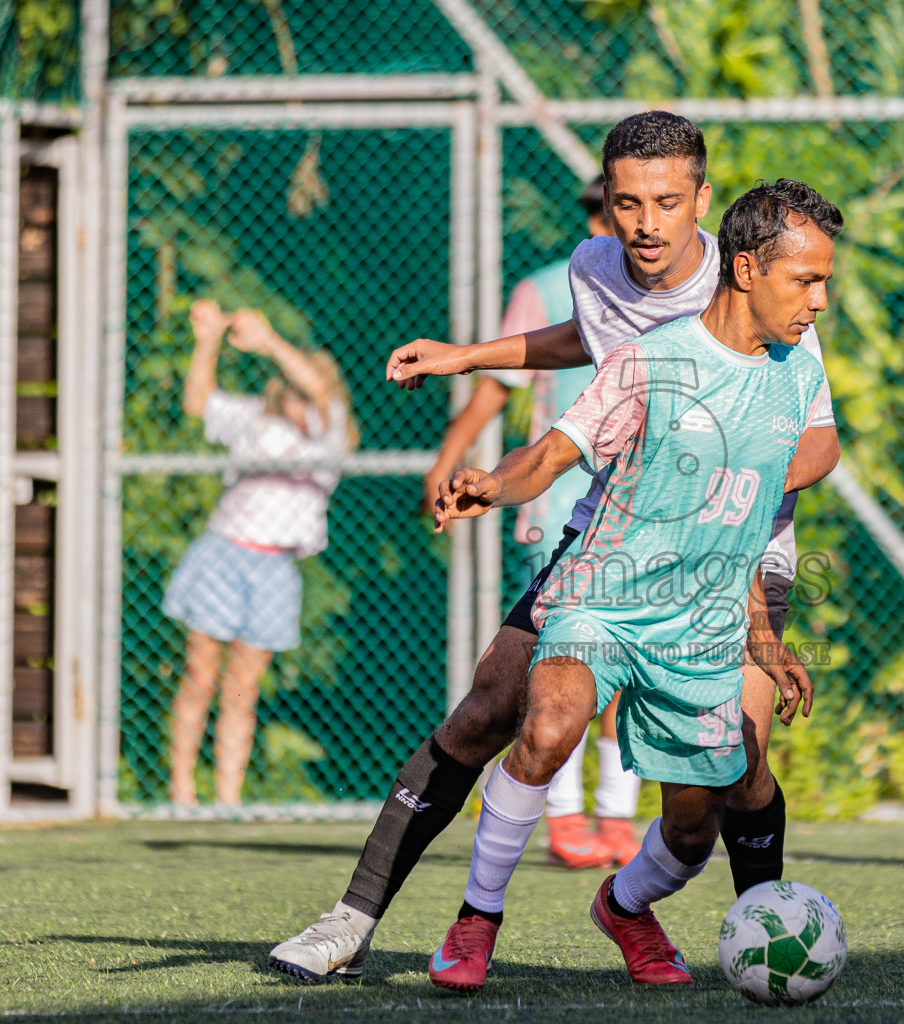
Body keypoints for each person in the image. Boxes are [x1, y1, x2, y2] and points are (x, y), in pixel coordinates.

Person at [268, 111, 839, 984]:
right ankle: (352, 921)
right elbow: (597, 343)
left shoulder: (769, 286)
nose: (645, 223)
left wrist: (713, 481)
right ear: (605, 204)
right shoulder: (597, 267)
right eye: (626, 203)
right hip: (614, 545)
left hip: (740, 551)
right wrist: (471, 359)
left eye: (667, 203)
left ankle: (728, 924)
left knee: (736, 775)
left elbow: (813, 438)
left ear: (703, 203)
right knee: (492, 710)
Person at [427, 178, 837, 992]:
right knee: (546, 730)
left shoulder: (794, 378)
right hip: (603, 593)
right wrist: (494, 486)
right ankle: (476, 920)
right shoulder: (651, 360)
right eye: (807, 280)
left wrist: (761, 633)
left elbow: (752, 521)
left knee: (694, 825)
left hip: (705, 615)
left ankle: (625, 906)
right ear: (749, 271)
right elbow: (551, 452)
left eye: (823, 280)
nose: (820, 300)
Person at [425, 176, 645, 871]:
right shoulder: (553, 284)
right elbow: (501, 384)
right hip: (556, 501)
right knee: (565, 667)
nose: (619, 222)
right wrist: (451, 459)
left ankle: (616, 811)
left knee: (628, 668)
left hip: (641, 500)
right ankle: (565, 816)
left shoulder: (677, 291)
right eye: (608, 207)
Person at [164, 301, 358, 808]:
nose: (300, 400)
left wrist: (270, 340)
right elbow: (198, 402)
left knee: (241, 690)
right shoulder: (258, 421)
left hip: (274, 569)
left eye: (307, 390)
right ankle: (182, 790)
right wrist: (207, 339)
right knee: (200, 676)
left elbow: (319, 392)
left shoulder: (330, 430)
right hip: (223, 553)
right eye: (290, 390)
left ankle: (227, 797)